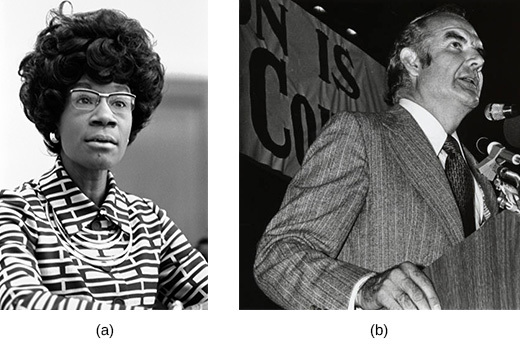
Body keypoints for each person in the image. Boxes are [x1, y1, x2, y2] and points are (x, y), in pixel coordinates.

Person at [253, 5, 499, 310]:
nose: (477, 59)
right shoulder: (360, 135)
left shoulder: (483, 183)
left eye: (478, 51)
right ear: (412, 62)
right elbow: (278, 255)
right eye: (456, 44)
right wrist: (363, 289)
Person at [0, 3, 208, 310]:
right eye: (85, 98)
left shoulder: (149, 222)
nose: (105, 116)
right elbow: (21, 305)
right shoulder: (16, 212)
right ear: (55, 113)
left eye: (121, 102)